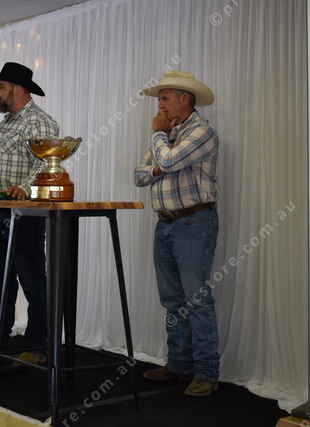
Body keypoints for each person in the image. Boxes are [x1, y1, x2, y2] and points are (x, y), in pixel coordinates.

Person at [134, 70, 220, 396]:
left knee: (197, 300)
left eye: (165, 99)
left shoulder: (202, 131)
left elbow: (168, 163)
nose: (160, 106)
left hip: (194, 222)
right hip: (166, 223)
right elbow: (139, 176)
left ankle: (207, 373)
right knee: (173, 300)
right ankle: (180, 365)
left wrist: (159, 140)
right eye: (159, 100)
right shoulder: (167, 134)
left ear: (185, 99)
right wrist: (161, 159)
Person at [0, 62, 59, 363]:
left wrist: (24, 189)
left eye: (1, 86)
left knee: (32, 280)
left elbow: (46, 163)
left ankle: (39, 345)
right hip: (3, 210)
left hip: (27, 213)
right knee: (1, 280)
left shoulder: (39, 122)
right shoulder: (9, 122)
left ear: (19, 88)